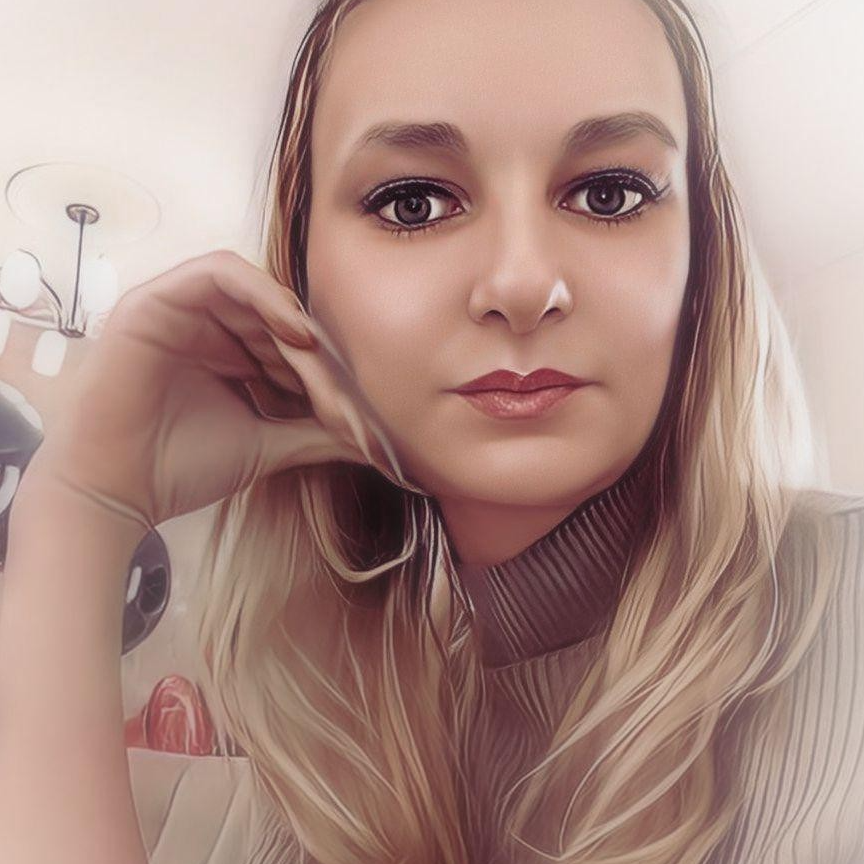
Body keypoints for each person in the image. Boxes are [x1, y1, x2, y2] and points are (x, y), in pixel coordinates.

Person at [1, 0, 862, 862]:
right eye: (413, 203)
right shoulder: (323, 743)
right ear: (303, 282)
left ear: (701, 255)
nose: (522, 284)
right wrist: (81, 506)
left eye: (610, 194)